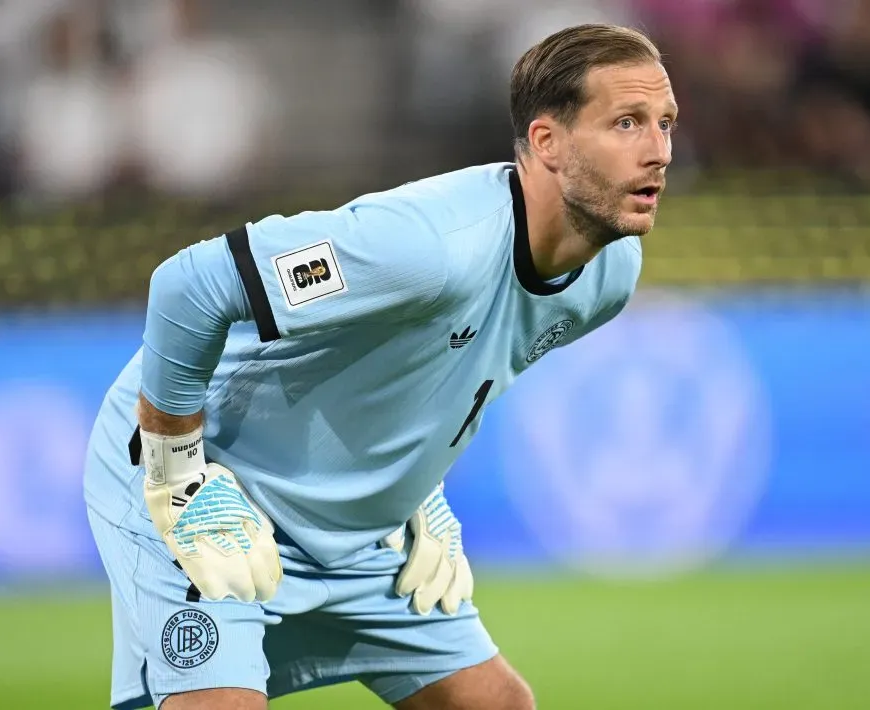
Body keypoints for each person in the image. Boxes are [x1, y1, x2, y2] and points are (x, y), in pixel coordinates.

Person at [83, 22, 677, 710]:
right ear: (546, 141)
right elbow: (190, 286)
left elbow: (452, 366)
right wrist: (176, 471)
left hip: (352, 528)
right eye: (627, 122)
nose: (659, 151)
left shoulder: (609, 275)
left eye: (665, 123)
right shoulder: (428, 247)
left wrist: (420, 489)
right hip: (216, 484)